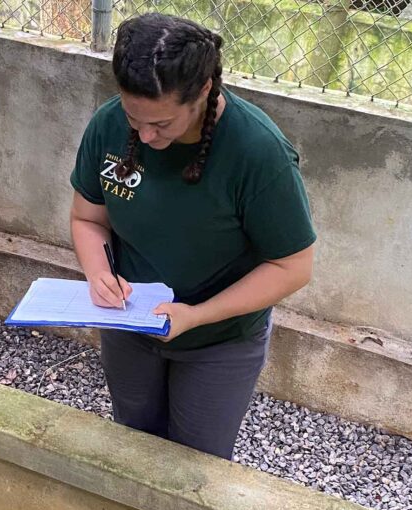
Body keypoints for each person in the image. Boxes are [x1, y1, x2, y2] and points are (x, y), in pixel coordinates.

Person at [69, 12, 316, 460]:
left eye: (161, 124)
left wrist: (196, 315)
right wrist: (99, 273)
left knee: (195, 464)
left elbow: (293, 266)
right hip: (130, 324)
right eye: (133, 118)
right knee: (133, 445)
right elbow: (88, 219)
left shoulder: (258, 152)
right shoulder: (109, 124)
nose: (144, 134)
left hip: (218, 340)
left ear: (203, 91)